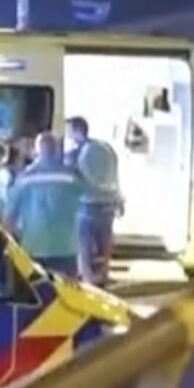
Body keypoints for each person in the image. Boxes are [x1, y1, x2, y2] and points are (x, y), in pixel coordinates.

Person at [3, 130, 87, 277]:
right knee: (67, 294)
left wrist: (7, 248)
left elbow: (10, 216)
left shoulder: (24, 178)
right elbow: (87, 203)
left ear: (37, 151)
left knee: (36, 293)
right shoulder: (72, 176)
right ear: (56, 150)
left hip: (34, 246)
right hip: (66, 247)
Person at [67, 115, 124, 287]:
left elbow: (76, 178)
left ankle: (87, 277)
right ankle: (104, 273)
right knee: (105, 240)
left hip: (87, 204)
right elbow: (116, 176)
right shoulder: (106, 148)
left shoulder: (78, 153)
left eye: (69, 130)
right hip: (108, 204)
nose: (68, 135)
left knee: (83, 242)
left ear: (77, 130)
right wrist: (119, 199)